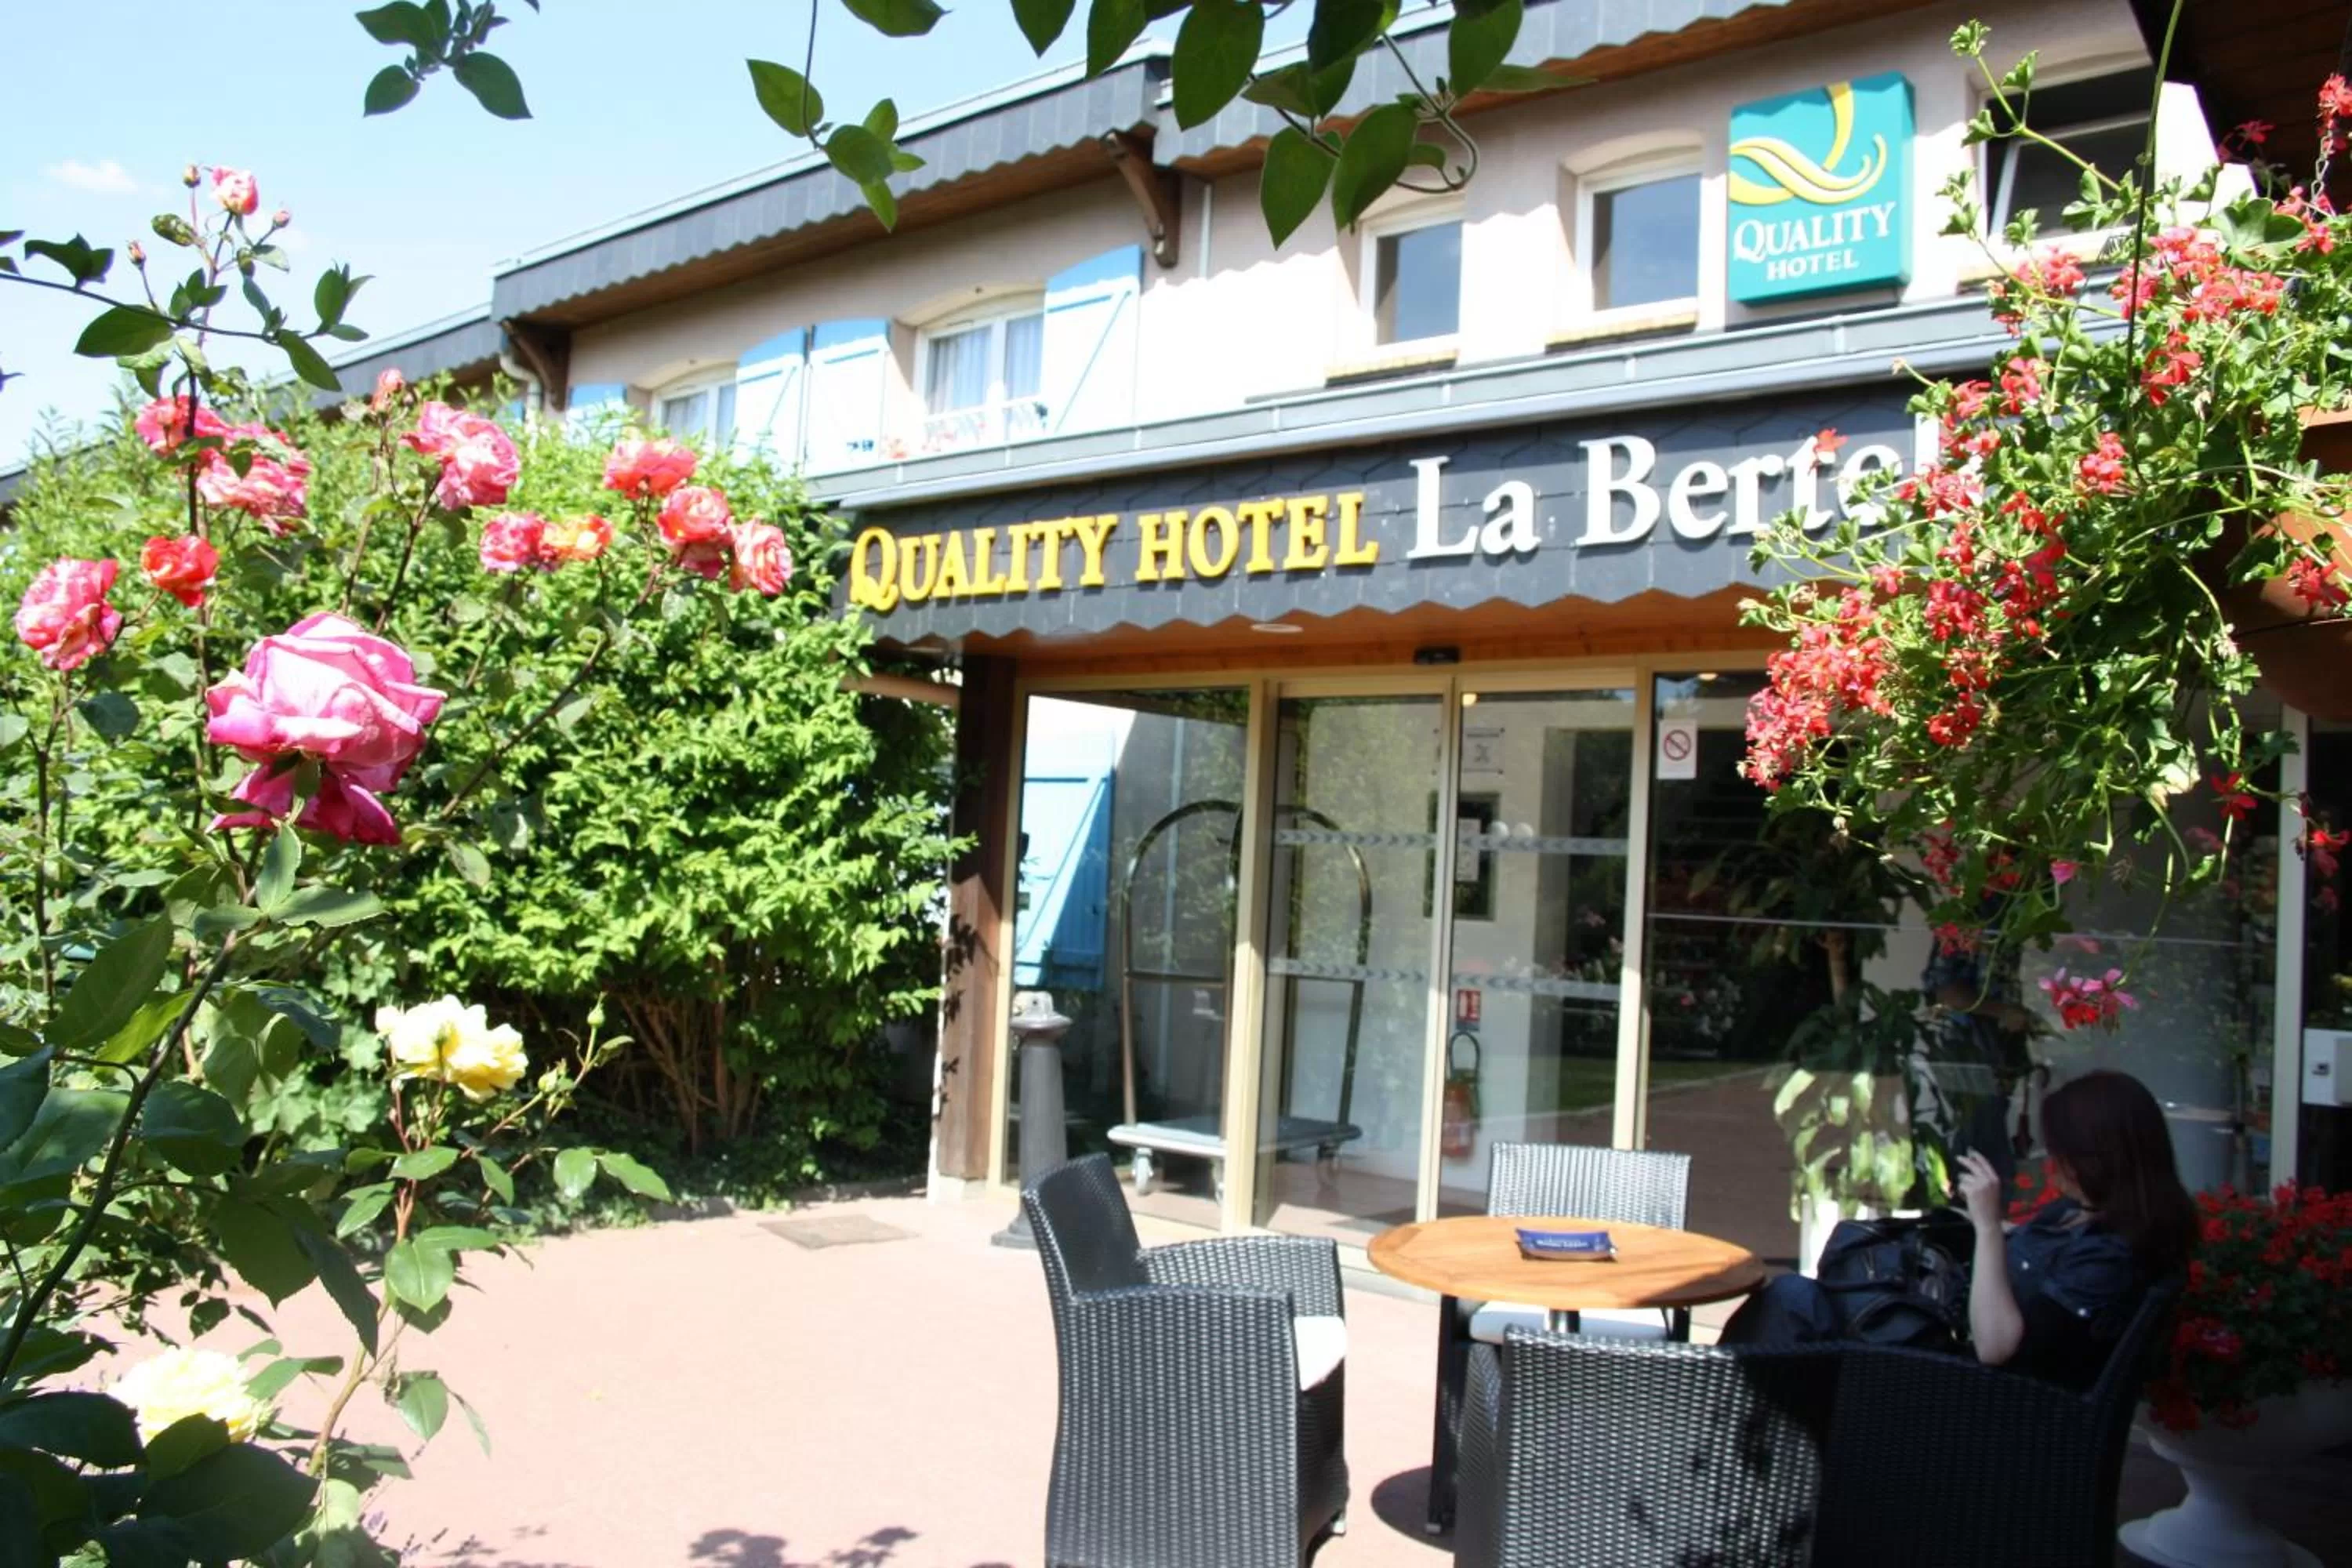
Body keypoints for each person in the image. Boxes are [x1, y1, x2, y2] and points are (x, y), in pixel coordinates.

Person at [1725, 1069, 2197, 1388]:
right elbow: (2017, 1249)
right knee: (1824, 1283)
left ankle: (1717, 1435)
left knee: (1790, 1306)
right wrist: (1970, 1218)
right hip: (1937, 1346)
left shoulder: (2108, 1259)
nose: (2052, 1164)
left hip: (1960, 1395)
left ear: (2099, 1158)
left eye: (2060, 1153)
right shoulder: (2082, 1215)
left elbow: (1996, 1346)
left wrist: (1989, 1229)